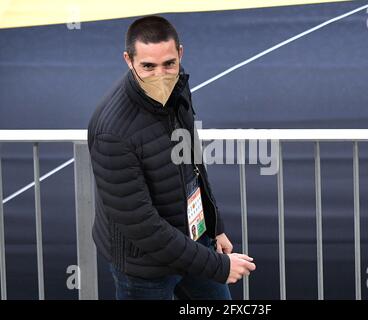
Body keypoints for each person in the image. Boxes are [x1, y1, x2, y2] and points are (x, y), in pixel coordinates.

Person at [87, 15, 256, 300]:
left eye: (169, 64)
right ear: (129, 60)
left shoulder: (178, 84)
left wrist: (213, 228)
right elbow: (143, 226)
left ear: (180, 53)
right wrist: (216, 265)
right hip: (146, 269)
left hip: (194, 243)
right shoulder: (112, 132)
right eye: (148, 67)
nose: (160, 75)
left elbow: (192, 163)